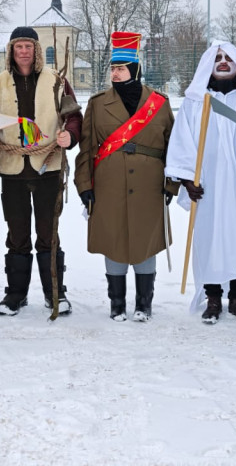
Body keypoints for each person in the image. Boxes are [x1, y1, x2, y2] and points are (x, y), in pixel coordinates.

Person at [167, 41, 236, 325]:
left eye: (228, 57)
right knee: (209, 240)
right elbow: (183, 142)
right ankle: (213, 297)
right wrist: (188, 179)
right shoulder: (195, 101)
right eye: (217, 58)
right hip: (208, 186)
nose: (223, 62)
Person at [75, 31, 177, 322]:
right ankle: (116, 303)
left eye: (120, 68)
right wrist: (84, 185)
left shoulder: (159, 103)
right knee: (114, 239)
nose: (115, 73)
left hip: (149, 185)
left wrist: (171, 184)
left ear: (134, 70)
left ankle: (144, 304)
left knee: (145, 240)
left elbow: (174, 147)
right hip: (108, 185)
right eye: (112, 68)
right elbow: (86, 149)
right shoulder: (97, 103)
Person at [0, 27, 83, 316]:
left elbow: (73, 116)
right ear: (11, 51)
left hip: (48, 168)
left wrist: (71, 135)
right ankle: (15, 294)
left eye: (29, 46)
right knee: (16, 235)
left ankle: (55, 293)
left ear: (37, 50)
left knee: (48, 233)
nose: (24, 52)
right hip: (12, 170)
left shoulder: (57, 81)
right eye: (19, 47)